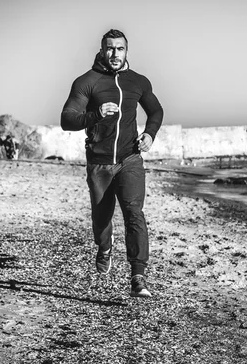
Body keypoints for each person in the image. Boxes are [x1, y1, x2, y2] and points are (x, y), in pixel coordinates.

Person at [61, 29, 163, 298]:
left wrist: (149, 135)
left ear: (127, 51)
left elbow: (156, 111)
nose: (115, 54)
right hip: (100, 163)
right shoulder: (87, 81)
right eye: (110, 48)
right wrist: (95, 114)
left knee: (134, 214)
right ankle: (104, 246)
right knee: (101, 219)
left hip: (130, 159)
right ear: (102, 50)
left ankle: (138, 277)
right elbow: (67, 119)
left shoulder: (138, 82)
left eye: (120, 49)